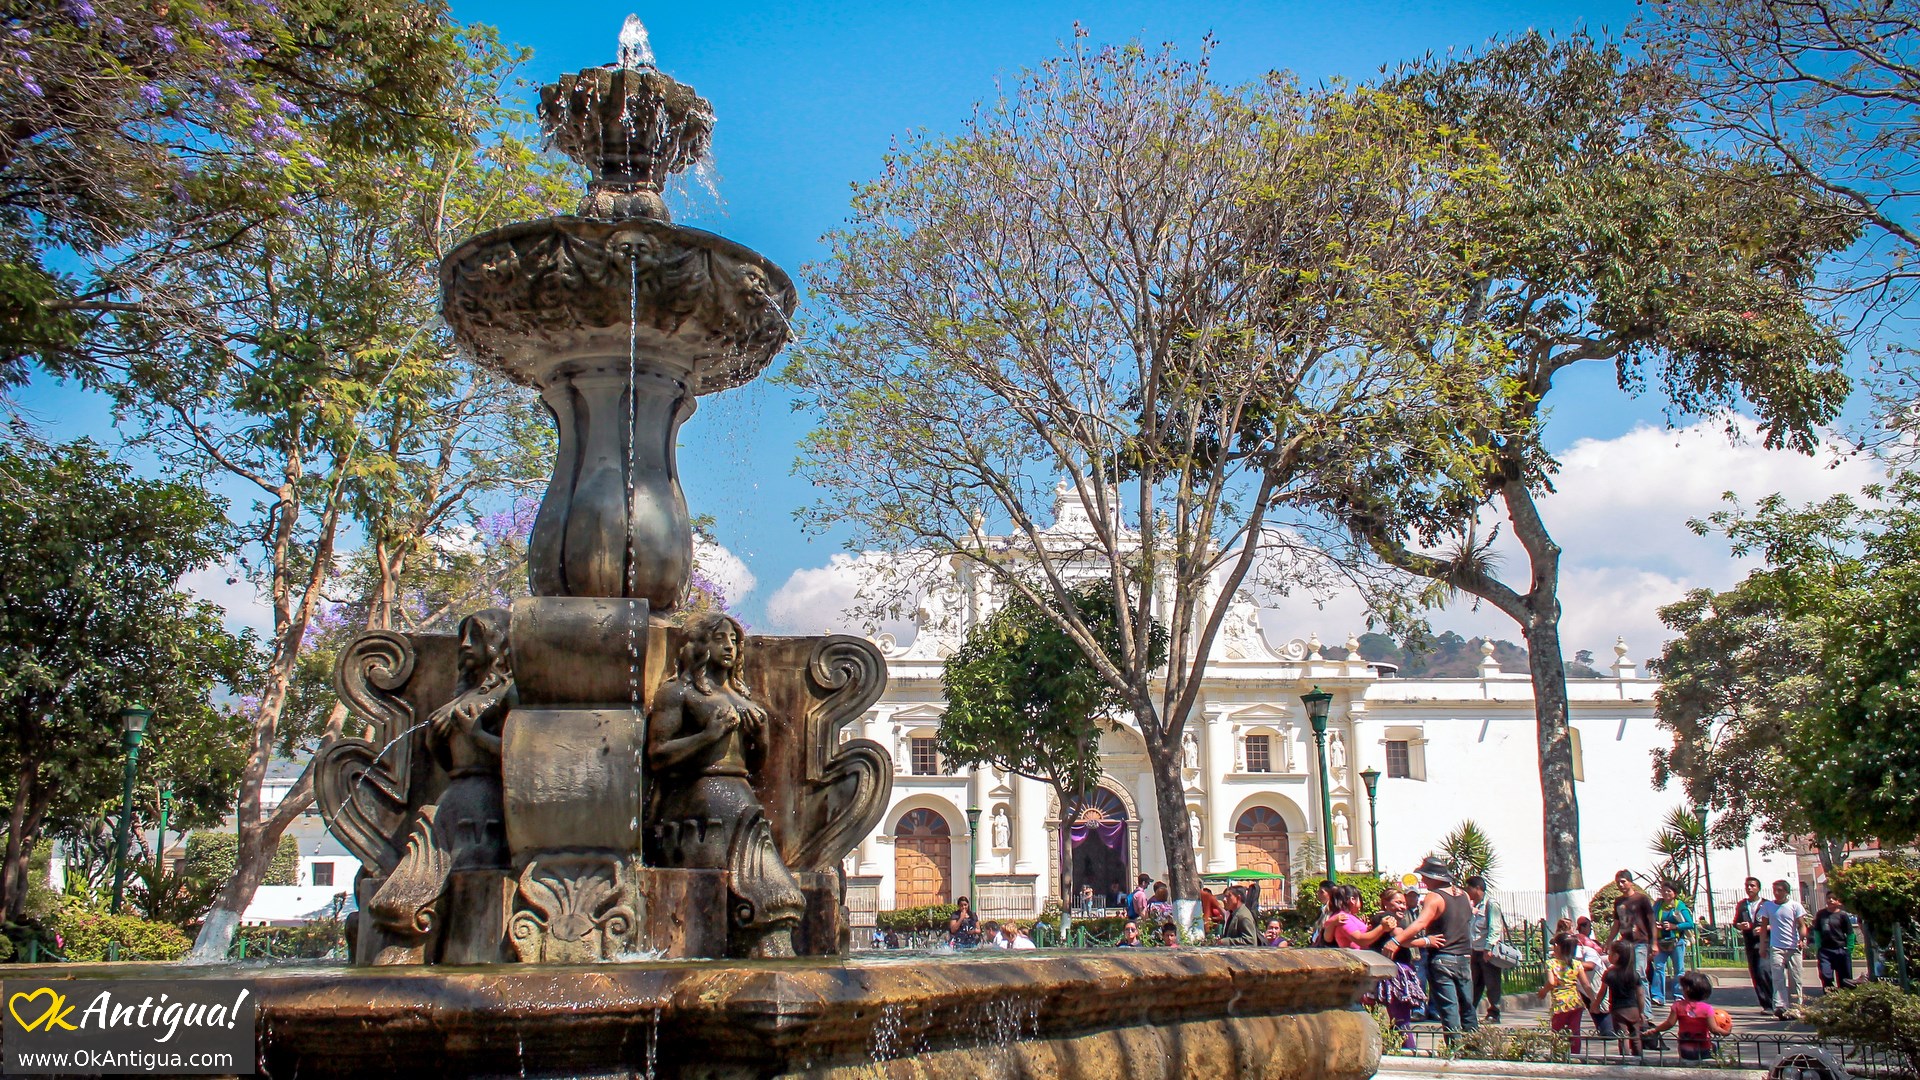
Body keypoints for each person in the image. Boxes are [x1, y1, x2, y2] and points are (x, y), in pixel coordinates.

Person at [1396, 855, 1476, 1041]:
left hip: (1443, 957)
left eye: (1425, 876)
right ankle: (1474, 1045)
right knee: (1467, 1006)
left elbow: (1420, 923)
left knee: (1449, 1008)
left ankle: (1455, 1048)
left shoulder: (1435, 897)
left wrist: (1397, 940)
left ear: (1434, 877)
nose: (1423, 880)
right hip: (1464, 956)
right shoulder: (1463, 894)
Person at [1371, 887, 1427, 1051]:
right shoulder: (1386, 918)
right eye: (1398, 902)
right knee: (1401, 1018)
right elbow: (1401, 938)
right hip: (1394, 975)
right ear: (1386, 904)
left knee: (1401, 1017)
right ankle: (1408, 1051)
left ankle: (1400, 1047)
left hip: (1397, 972)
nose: (1403, 906)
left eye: (1404, 903)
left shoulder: (1390, 918)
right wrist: (1427, 941)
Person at [1648, 971, 1732, 1061]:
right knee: (1714, 1047)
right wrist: (1727, 1032)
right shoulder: (1707, 1009)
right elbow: (1714, 1029)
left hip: (1685, 1049)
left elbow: (1669, 1023)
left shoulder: (1677, 1006)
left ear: (1686, 990)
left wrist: (1656, 1029)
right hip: (1704, 1047)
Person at [1760, 879, 1810, 1018]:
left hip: (1793, 947)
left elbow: (1802, 925)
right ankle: (1780, 1007)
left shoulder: (1795, 906)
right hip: (1776, 947)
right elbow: (1764, 927)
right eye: (1774, 889)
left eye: (1780, 890)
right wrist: (1762, 946)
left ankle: (1796, 1007)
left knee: (1795, 978)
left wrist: (1802, 939)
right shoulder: (1768, 906)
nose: (1776, 893)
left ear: (1786, 891)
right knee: (1777, 978)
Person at [1540, 932, 1594, 1053]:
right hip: (1576, 1003)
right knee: (1574, 1032)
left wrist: (1543, 991)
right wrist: (1594, 1001)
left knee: (1557, 1032)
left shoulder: (1551, 963)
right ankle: (1576, 1056)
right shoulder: (1577, 964)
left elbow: (1551, 982)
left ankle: (1558, 1055)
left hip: (1560, 1004)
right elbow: (1586, 984)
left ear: (1558, 947)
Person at [1604, 870, 1657, 995]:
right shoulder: (1618, 901)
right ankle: (1633, 1004)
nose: (1620, 885)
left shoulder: (1641, 899)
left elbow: (1651, 921)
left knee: (1639, 973)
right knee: (1626, 972)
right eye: (1618, 882)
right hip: (1625, 943)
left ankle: (1646, 1011)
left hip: (1641, 941)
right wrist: (1609, 941)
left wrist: (1654, 942)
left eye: (1623, 881)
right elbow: (1616, 923)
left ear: (1630, 882)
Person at [1465, 874, 1506, 1024]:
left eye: (1469, 888)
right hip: (1473, 949)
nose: (1467, 891)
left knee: (1492, 982)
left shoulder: (1491, 904)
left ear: (1478, 888)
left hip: (1486, 950)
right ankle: (1469, 1012)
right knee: (1474, 982)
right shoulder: (1474, 905)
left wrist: (1488, 948)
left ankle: (1494, 1012)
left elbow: (1495, 927)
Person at [1732, 877, 1775, 1009]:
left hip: (1764, 942)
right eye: (1747, 886)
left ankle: (1774, 1000)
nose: (1749, 888)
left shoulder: (1767, 904)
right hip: (1750, 942)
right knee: (1755, 973)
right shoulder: (1742, 905)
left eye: (1752, 886)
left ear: (1758, 888)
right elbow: (1735, 923)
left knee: (1764, 970)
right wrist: (1740, 926)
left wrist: (1764, 928)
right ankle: (1766, 1005)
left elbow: (1776, 923)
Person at [1652, 881, 1697, 1006]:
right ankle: (1658, 996)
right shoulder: (1658, 905)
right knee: (1659, 968)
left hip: (1676, 942)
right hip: (1661, 942)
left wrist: (1674, 926)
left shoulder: (1679, 906)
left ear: (1674, 893)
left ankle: (1679, 995)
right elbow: (1650, 918)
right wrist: (1656, 925)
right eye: (1663, 890)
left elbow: (1690, 924)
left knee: (1679, 970)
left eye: (1669, 891)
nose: (1666, 893)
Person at [1602, 939, 1648, 1057]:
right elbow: (1640, 994)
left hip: (1618, 1009)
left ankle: (1625, 1058)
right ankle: (1639, 1057)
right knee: (1635, 1035)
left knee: (1622, 1036)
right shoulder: (1634, 974)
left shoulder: (1609, 973)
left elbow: (1602, 991)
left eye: (1610, 953)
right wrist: (1642, 1011)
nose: (1608, 956)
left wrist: (1596, 1004)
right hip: (1633, 1008)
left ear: (1616, 956)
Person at [1813, 892, 1857, 992]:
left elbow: (1850, 933)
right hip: (1825, 950)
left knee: (1844, 977)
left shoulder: (1843, 915)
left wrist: (1849, 948)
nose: (1831, 900)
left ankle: (1844, 997)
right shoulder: (1821, 914)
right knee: (1825, 974)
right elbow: (1817, 931)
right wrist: (1818, 947)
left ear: (1838, 901)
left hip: (1840, 949)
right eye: (1829, 898)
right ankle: (1829, 994)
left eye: (1834, 898)